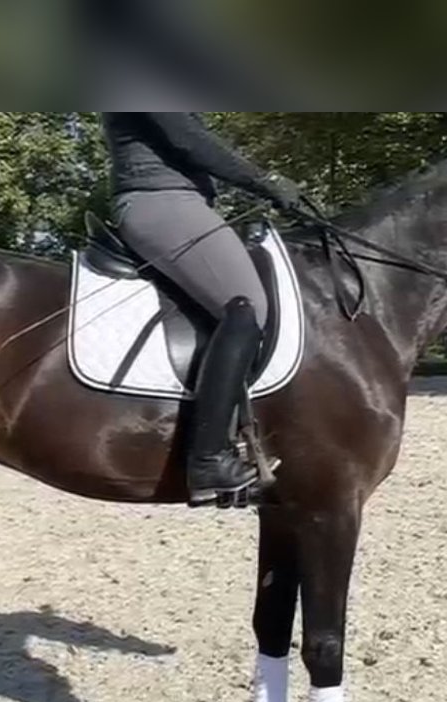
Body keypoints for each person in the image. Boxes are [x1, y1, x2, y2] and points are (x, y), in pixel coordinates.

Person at [100, 112, 302, 502]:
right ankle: (209, 458)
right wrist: (266, 182)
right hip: (157, 199)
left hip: (183, 201)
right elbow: (189, 140)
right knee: (245, 306)